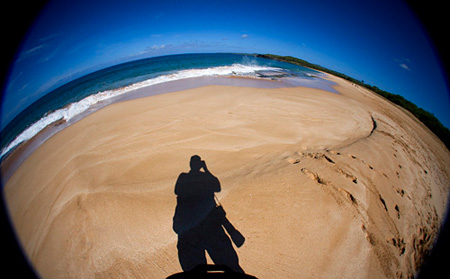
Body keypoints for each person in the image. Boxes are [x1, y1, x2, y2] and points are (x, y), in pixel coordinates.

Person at [173, 155, 244, 273]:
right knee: (230, 266)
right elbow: (217, 187)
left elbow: (217, 187)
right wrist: (206, 170)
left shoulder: (185, 177)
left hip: (193, 230)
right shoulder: (198, 177)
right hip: (209, 227)